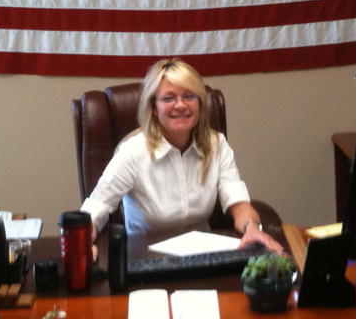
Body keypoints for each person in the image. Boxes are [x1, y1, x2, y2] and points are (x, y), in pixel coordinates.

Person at [80, 58, 283, 252]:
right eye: (169, 98)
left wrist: (252, 229)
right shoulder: (133, 152)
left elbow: (240, 206)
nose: (180, 105)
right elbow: (97, 207)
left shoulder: (216, 145)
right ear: (154, 108)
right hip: (145, 258)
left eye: (189, 96)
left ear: (200, 103)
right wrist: (80, 243)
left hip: (205, 257)